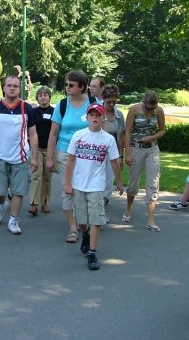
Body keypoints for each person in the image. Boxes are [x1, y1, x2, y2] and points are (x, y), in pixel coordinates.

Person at [64, 103, 124, 270]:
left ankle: (92, 252)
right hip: (79, 184)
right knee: (82, 220)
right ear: (87, 117)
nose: (95, 118)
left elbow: (114, 162)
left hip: (96, 185)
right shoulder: (79, 136)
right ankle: (85, 233)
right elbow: (70, 161)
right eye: (92, 115)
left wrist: (119, 183)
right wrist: (67, 183)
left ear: (103, 118)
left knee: (96, 219)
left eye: (98, 115)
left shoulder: (108, 139)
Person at [0, 75, 39, 235]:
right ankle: (2, 205)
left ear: (20, 89)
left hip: (21, 157)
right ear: (4, 88)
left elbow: (32, 134)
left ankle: (13, 220)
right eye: (9, 85)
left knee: (18, 191)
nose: (12, 88)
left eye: (15, 86)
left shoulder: (27, 108)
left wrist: (35, 157)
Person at [46, 70, 97, 243]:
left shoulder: (92, 103)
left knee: (85, 189)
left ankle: (84, 220)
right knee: (68, 188)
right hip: (65, 152)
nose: (67, 87)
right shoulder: (62, 105)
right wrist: (50, 158)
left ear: (81, 87)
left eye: (71, 85)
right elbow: (53, 133)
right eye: (66, 84)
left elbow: (100, 127)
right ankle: (73, 227)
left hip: (88, 154)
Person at [122, 90, 166, 232]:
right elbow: (128, 131)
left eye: (153, 108)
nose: (150, 111)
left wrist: (150, 138)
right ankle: (128, 208)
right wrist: (128, 153)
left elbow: (162, 130)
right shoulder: (134, 110)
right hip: (136, 148)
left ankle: (151, 220)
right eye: (148, 108)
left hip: (152, 149)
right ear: (143, 103)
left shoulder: (159, 111)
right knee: (133, 182)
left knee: (153, 182)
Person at [29, 86, 54, 215]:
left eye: (45, 95)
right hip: (36, 148)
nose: (43, 97)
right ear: (37, 98)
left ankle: (45, 202)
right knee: (36, 176)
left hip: (50, 149)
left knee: (47, 177)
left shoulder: (54, 112)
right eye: (40, 95)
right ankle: (34, 203)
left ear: (49, 97)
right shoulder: (33, 112)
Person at [101, 84, 125, 206]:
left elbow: (121, 137)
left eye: (114, 102)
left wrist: (120, 156)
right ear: (103, 99)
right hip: (97, 148)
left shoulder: (119, 115)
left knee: (109, 176)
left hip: (112, 149)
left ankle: (105, 197)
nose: (111, 104)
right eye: (109, 102)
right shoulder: (96, 112)